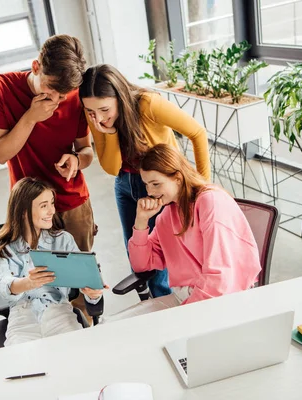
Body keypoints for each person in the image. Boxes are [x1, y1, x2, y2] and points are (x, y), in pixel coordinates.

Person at [78, 64, 211, 298]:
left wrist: (203, 189)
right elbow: (111, 167)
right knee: (136, 252)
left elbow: (198, 133)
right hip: (125, 183)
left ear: (119, 97)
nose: (97, 117)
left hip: (159, 183)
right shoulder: (97, 118)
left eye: (104, 109)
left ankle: (164, 310)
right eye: (90, 111)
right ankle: (146, 303)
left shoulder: (148, 104)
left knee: (161, 259)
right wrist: (110, 132)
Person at [0, 34, 96, 252]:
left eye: (63, 95)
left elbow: (87, 151)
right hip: (30, 206)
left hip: (73, 203)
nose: (56, 99)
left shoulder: (76, 94)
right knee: (42, 279)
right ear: (35, 67)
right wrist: (30, 117)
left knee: (82, 277)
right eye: (50, 88)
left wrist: (76, 160)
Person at [120, 144, 260, 317]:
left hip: (217, 301)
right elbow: (141, 265)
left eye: (156, 184)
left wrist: (185, 315)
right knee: (114, 326)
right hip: (186, 297)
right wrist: (141, 221)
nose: (150, 192)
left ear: (178, 178)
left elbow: (219, 278)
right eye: (147, 185)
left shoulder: (210, 202)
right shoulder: (168, 215)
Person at [0, 177, 104, 346]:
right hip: (23, 318)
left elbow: (86, 281)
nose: (52, 211)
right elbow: (3, 285)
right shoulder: (1, 247)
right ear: (24, 211)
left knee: (77, 357)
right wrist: (27, 283)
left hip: (59, 312)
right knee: (23, 368)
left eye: (52, 203)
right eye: (44, 206)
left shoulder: (63, 240)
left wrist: (93, 294)